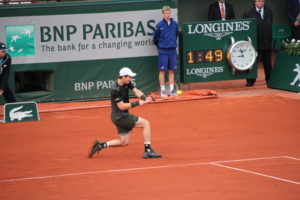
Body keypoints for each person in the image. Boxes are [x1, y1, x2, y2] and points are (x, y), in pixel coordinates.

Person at [88, 67, 162, 159]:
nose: (131, 79)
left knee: (124, 142)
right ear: (123, 77)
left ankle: (100, 145)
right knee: (146, 123)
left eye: (131, 77)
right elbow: (121, 106)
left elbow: (136, 91)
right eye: (129, 77)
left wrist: (144, 98)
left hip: (118, 116)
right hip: (120, 116)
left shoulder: (127, 83)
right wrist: (138, 103)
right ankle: (148, 151)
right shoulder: (115, 89)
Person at [243, 0, 273, 87]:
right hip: (254, 43)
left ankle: (269, 80)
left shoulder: (269, 11)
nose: (261, 3)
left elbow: (269, 23)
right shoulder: (248, 13)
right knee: (252, 62)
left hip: (267, 41)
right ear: (255, 2)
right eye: (259, 1)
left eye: (263, 1)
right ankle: (250, 81)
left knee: (267, 63)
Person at [153, 6, 179, 97]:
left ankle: (172, 90)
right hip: (163, 51)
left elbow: (176, 36)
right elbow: (155, 39)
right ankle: (163, 90)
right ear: (163, 14)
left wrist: (171, 44)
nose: (168, 15)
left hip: (172, 50)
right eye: (166, 13)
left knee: (171, 70)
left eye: (169, 13)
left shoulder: (175, 24)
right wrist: (161, 46)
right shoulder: (159, 25)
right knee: (162, 71)